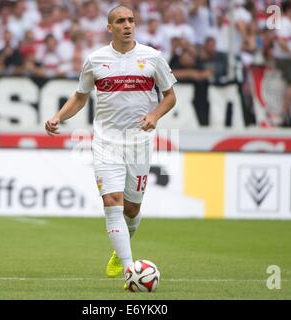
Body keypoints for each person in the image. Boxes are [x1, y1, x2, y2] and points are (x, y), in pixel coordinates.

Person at [44, 5, 177, 289]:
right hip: (106, 142)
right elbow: (80, 97)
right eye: (120, 21)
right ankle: (130, 269)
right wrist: (58, 117)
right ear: (110, 27)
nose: (127, 25)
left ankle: (119, 251)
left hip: (139, 144)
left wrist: (154, 115)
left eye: (130, 20)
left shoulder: (153, 57)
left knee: (131, 209)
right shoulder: (96, 60)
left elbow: (170, 96)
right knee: (111, 202)